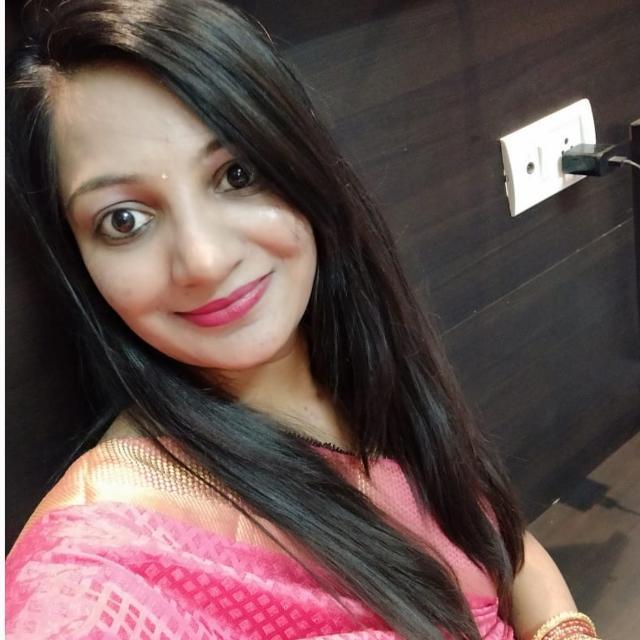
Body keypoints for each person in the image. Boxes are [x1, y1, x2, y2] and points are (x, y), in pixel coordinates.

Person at [5, 1, 600, 639]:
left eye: (237, 174)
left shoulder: (362, 362)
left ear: (302, 167)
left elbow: (497, 540)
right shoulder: (101, 560)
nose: (204, 260)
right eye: (124, 219)